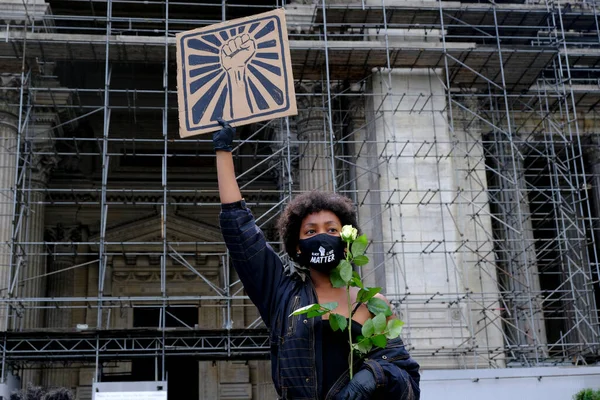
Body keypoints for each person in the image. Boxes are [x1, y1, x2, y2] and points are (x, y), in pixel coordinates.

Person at [215, 119, 420, 399]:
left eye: (331, 229)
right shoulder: (281, 294)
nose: (322, 236)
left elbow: (408, 383)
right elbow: (241, 233)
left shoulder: (374, 304)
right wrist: (224, 152)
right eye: (311, 231)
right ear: (298, 246)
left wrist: (372, 376)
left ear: (346, 241)